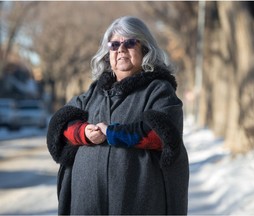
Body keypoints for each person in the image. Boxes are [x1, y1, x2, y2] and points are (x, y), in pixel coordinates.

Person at [47, 16, 189, 215]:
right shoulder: (94, 92)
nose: (121, 49)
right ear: (108, 54)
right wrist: (83, 133)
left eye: (130, 43)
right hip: (86, 203)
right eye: (114, 45)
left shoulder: (158, 90)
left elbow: (164, 136)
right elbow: (61, 126)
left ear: (145, 49)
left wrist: (115, 134)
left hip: (137, 200)